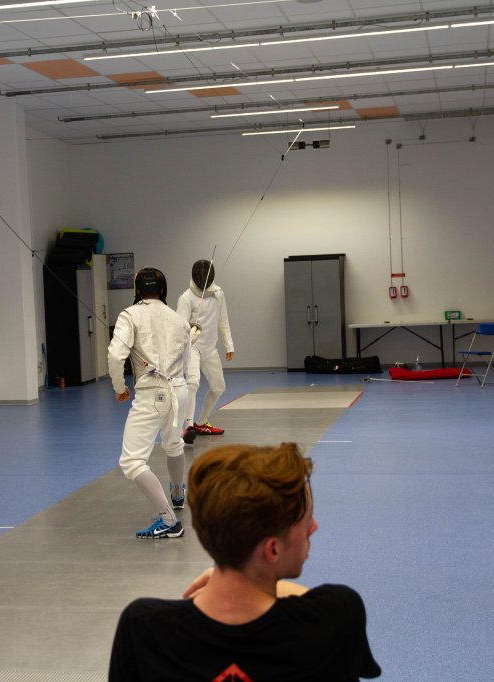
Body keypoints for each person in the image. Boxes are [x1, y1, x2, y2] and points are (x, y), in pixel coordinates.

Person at [108, 443, 381, 681]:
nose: (314, 527)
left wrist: (228, 579)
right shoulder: (334, 617)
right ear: (272, 550)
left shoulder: (144, 630)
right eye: (306, 520)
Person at [109, 267, 193, 538]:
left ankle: (169, 521)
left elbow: (115, 355)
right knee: (174, 444)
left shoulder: (129, 314)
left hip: (152, 393)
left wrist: (119, 387)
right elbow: (187, 362)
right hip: (178, 389)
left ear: (137, 290)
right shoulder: (179, 320)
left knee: (132, 461)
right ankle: (178, 494)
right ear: (163, 289)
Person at [177, 259, 235, 438]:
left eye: (206, 276)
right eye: (200, 277)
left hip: (210, 348)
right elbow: (179, 327)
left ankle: (201, 422)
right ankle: (188, 426)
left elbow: (223, 320)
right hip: (192, 347)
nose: (203, 279)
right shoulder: (186, 298)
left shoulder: (218, 294)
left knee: (219, 387)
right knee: (193, 382)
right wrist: (189, 335)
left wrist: (229, 345)